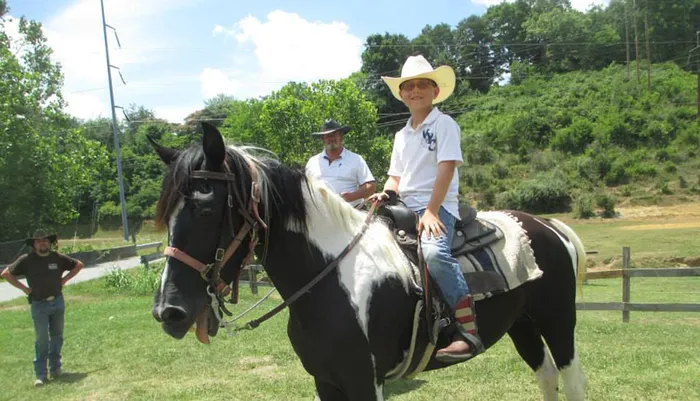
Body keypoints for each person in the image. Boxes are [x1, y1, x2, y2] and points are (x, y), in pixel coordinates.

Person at [371, 54, 484, 362]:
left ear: (435, 91)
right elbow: (396, 175)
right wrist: (386, 192)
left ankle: (468, 331)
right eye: (409, 86)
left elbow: (446, 168)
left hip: (438, 206)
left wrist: (432, 210)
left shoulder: (445, 124)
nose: (415, 90)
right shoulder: (401, 134)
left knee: (434, 254)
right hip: (404, 208)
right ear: (401, 93)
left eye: (422, 85)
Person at [1, 228, 84, 386]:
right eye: (39, 241)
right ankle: (40, 374)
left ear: (50, 243)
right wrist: (24, 289)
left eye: (45, 240)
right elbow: (6, 273)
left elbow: (78, 265)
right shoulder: (27, 259)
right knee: (42, 339)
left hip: (57, 302)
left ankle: (56, 369)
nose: (43, 243)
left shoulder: (57, 257)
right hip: (39, 304)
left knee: (57, 336)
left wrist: (64, 280)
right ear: (34, 244)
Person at [305, 119, 377, 208]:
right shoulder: (312, 162)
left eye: (334, 134)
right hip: (321, 216)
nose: (331, 138)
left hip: (351, 213)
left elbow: (370, 186)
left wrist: (351, 197)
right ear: (323, 139)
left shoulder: (356, 159)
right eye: (327, 136)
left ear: (341, 136)